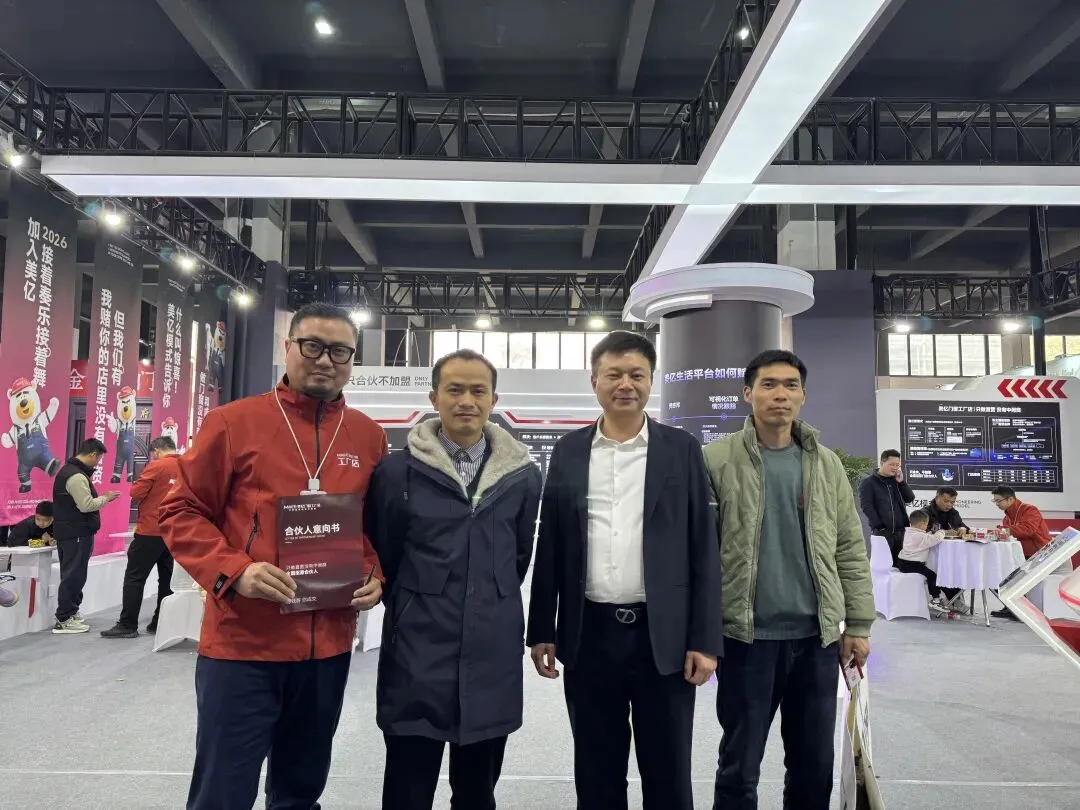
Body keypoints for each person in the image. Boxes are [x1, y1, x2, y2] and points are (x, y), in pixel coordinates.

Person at [158, 302, 388, 810]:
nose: (325, 360)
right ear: (288, 348)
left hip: (327, 648)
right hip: (244, 645)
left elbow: (370, 528)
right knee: (223, 793)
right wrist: (235, 571)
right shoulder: (233, 422)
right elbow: (179, 510)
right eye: (312, 346)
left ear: (353, 359)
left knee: (300, 792)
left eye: (340, 351)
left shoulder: (368, 436)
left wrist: (374, 572)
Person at [527, 330, 722, 810]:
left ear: (651, 381)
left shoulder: (681, 449)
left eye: (637, 375)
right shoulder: (570, 450)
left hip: (664, 637)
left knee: (668, 772)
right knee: (596, 771)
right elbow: (550, 542)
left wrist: (704, 639)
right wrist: (542, 629)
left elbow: (703, 546)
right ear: (594, 381)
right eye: (613, 374)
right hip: (589, 635)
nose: (625, 384)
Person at [366, 349, 542, 810]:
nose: (467, 400)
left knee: (478, 792)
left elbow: (518, 557)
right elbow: (387, 550)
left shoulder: (522, 476)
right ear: (434, 398)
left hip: (491, 653)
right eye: (455, 390)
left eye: (478, 391)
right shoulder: (397, 472)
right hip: (417, 650)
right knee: (407, 790)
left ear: (494, 400)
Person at [703, 350, 875, 810]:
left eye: (790, 385)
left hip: (815, 641)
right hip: (746, 639)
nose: (780, 394)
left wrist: (858, 623)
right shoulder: (716, 460)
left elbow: (848, 546)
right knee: (739, 766)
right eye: (769, 384)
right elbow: (699, 555)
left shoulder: (826, 464)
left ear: (803, 395)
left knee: (812, 767)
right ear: (748, 393)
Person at [101, 436, 179, 638]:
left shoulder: (156, 466)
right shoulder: (187, 466)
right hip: (174, 532)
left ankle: (128, 625)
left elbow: (136, 493)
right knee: (167, 579)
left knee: (135, 578)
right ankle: (161, 622)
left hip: (150, 530)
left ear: (156, 451)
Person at [51, 438, 119, 635]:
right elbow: (86, 505)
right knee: (73, 575)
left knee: (73, 574)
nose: (98, 463)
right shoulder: (76, 477)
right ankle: (64, 618)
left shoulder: (70, 472)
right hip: (76, 533)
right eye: (99, 459)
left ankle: (71, 612)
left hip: (72, 532)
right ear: (93, 454)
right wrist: (105, 498)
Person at [990, 486, 1052, 621]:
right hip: (1020, 555)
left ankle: (1019, 609)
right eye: (995, 501)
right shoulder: (1007, 518)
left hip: (1039, 553)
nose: (997, 504)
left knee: (1011, 576)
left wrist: (1005, 531)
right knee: (995, 574)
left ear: (1010, 499)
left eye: (998, 501)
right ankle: (1011, 607)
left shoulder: (1030, 510)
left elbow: (1028, 530)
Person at [859, 449, 915, 565]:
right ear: (882, 463)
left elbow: (909, 498)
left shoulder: (897, 481)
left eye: (897, 465)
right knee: (882, 567)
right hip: (883, 533)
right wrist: (879, 527)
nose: (895, 468)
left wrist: (901, 483)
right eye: (891, 464)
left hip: (901, 533)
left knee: (900, 567)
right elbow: (866, 506)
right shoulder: (869, 482)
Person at [897, 509, 961, 611]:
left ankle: (940, 598)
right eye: (926, 524)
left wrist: (931, 532)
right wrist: (942, 531)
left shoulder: (909, 532)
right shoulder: (919, 536)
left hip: (902, 561)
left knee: (930, 573)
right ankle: (935, 600)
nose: (927, 527)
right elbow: (935, 539)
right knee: (932, 575)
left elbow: (925, 537)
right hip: (910, 564)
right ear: (921, 524)